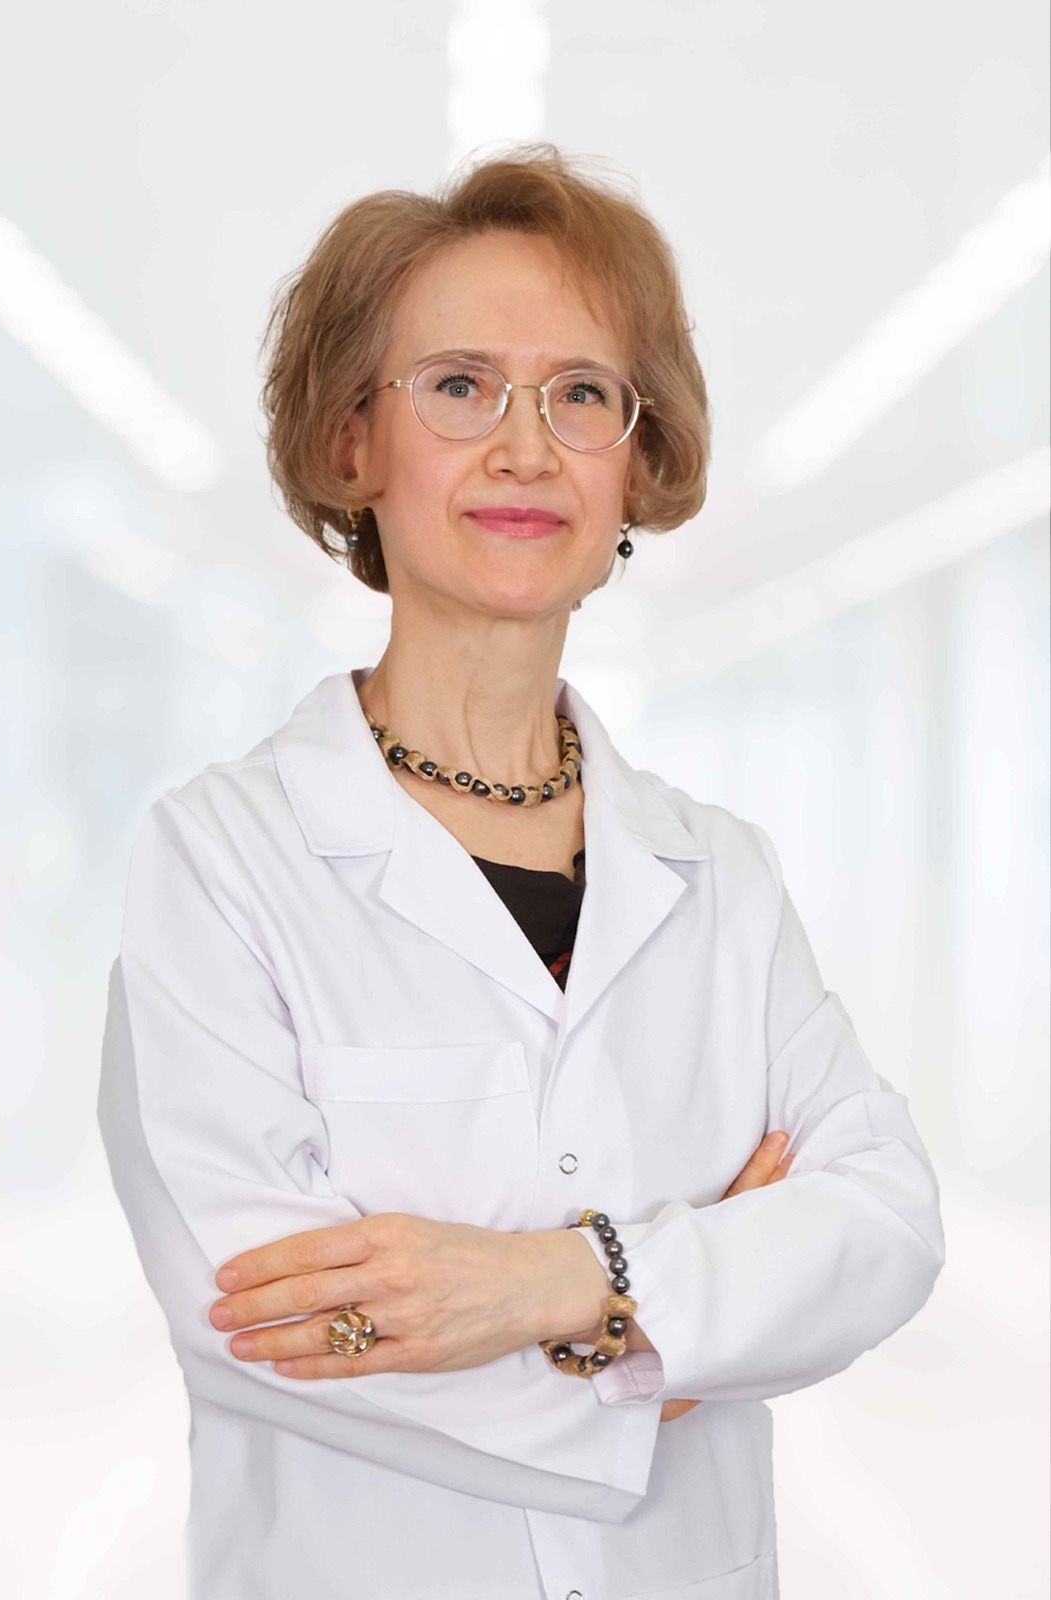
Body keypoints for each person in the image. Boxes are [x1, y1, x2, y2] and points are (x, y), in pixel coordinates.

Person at [96, 144, 945, 1600]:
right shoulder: (223, 860)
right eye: (460, 386)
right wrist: (684, 1331)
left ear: (636, 464)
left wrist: (558, 1283)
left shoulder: (717, 876)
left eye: (582, 395)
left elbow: (884, 1220)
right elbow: (264, 1327)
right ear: (352, 442)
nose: (527, 449)